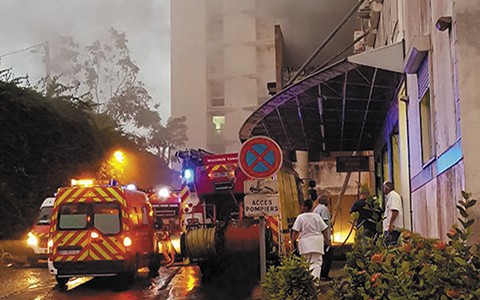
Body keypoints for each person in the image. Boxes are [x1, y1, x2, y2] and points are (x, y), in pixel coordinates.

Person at [291, 199, 330, 280]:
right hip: (317, 243)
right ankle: (315, 282)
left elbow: (295, 231)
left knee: (306, 263)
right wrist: (327, 240)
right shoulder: (317, 216)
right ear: (312, 207)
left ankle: (307, 282)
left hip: (305, 243)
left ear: (303, 207)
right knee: (316, 263)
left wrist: (292, 242)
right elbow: (324, 229)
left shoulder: (300, 217)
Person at [313, 191, 333, 281]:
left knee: (321, 256)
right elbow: (324, 224)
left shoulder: (316, 209)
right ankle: (324, 274)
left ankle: (320, 274)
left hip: (318, 236)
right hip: (323, 237)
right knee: (328, 256)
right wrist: (327, 239)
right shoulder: (324, 209)